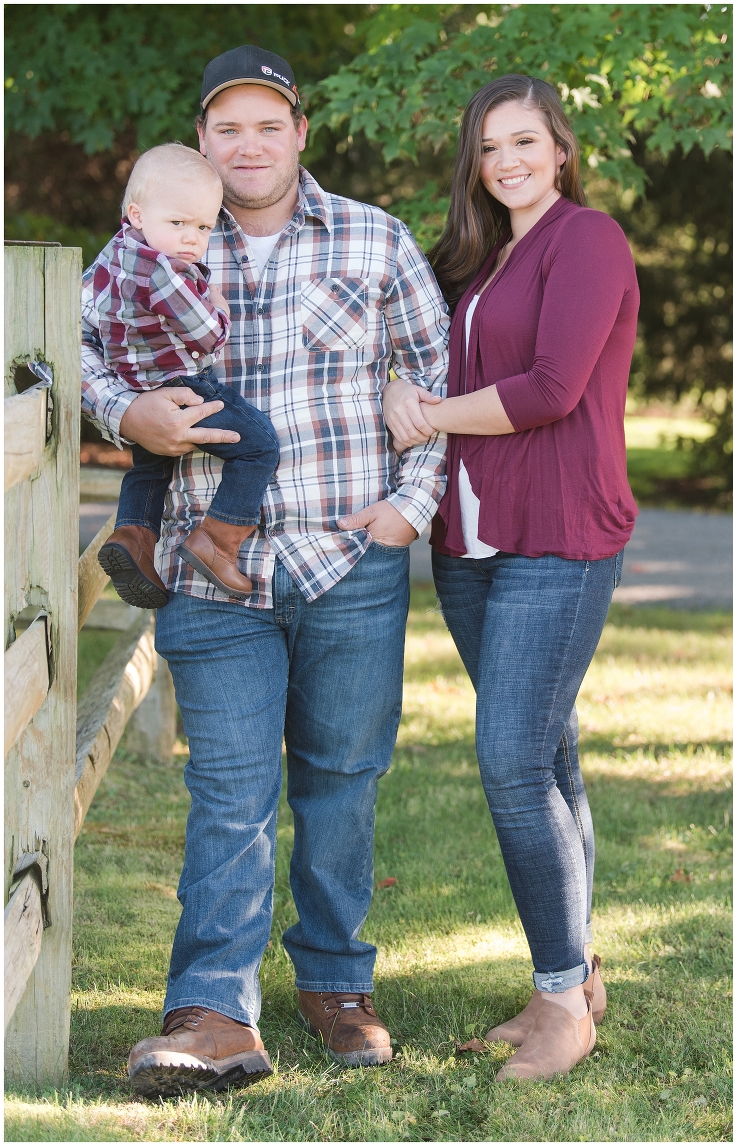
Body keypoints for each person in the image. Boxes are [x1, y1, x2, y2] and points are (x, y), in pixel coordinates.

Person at [81, 45, 449, 1098]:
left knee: (342, 783)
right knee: (230, 793)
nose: (248, 145)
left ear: (299, 133)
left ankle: (336, 981)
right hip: (209, 576)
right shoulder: (154, 239)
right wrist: (129, 413)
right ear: (202, 138)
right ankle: (212, 1011)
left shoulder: (374, 238)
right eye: (227, 127)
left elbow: (436, 374)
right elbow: (88, 350)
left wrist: (409, 509)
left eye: (268, 125)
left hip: (348, 564)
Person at [382, 74, 639, 1082]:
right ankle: (576, 979)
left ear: (561, 149)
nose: (506, 162)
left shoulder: (588, 240)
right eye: (489, 147)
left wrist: (428, 415)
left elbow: (551, 389)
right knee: (549, 754)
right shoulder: (479, 259)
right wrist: (403, 390)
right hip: (472, 547)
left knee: (510, 760)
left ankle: (561, 1000)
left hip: (559, 537)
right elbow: (426, 359)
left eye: (524, 141)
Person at [93, 142, 280, 605]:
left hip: (137, 392)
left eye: (203, 227)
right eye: (178, 223)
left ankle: (132, 537)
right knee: (259, 445)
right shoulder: (164, 271)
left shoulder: (113, 255)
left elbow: (89, 318)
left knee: (150, 467)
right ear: (137, 214)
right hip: (184, 387)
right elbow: (208, 337)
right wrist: (218, 306)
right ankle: (217, 541)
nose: (192, 239)